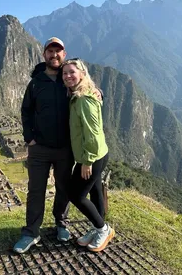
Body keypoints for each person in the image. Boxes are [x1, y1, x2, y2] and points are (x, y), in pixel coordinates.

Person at [13, 37, 74, 254]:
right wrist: (29, 137)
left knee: (63, 188)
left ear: (64, 54)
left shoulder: (70, 78)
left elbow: (90, 91)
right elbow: (26, 111)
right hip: (39, 148)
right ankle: (31, 232)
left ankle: (61, 223)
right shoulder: (36, 82)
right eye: (50, 51)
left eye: (58, 51)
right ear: (44, 55)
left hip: (65, 147)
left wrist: (99, 93)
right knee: (36, 190)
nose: (54, 55)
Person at [62, 58, 115, 252]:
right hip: (97, 154)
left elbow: (92, 133)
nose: (67, 76)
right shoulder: (79, 95)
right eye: (64, 73)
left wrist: (87, 161)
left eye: (72, 72)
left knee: (76, 195)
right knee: (94, 191)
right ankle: (97, 227)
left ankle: (103, 229)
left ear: (82, 74)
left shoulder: (84, 99)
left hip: (93, 156)